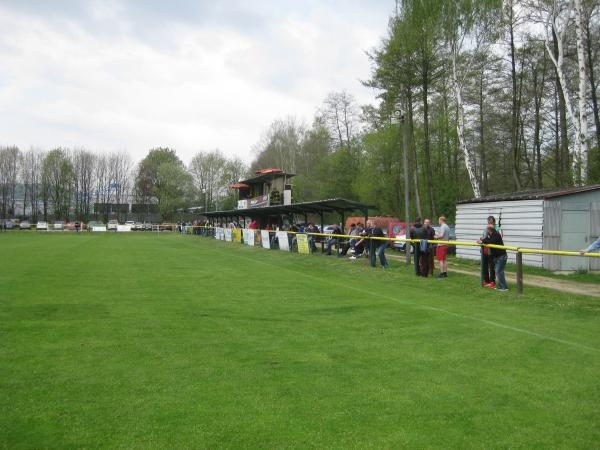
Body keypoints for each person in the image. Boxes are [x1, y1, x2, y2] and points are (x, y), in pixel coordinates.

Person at [482, 223, 508, 291]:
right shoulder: (490, 235)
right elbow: (486, 240)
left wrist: (482, 240)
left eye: (487, 229)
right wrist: (482, 240)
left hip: (501, 256)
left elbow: (490, 241)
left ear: (489, 230)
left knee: (499, 271)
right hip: (496, 256)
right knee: (498, 271)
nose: (486, 230)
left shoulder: (496, 234)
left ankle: (504, 287)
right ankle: (501, 286)